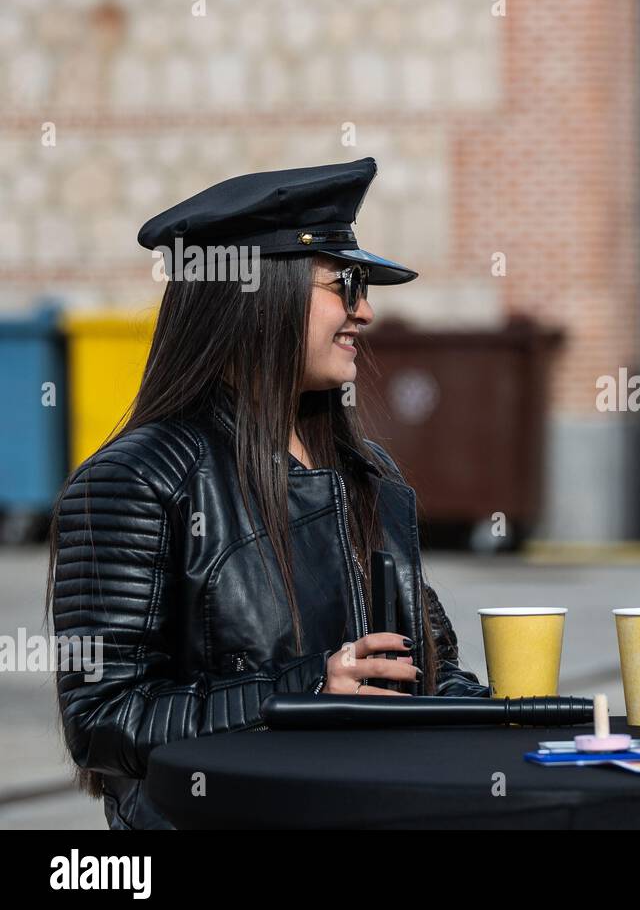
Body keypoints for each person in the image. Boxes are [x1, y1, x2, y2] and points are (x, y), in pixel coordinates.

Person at [46, 158, 488, 830]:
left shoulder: (370, 473)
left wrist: (501, 716)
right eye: (345, 283)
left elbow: (425, 669)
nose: (364, 311)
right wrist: (306, 691)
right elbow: (104, 721)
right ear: (259, 293)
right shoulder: (136, 480)